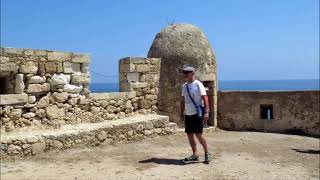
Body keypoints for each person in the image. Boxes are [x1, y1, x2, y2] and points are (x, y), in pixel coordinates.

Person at [180, 66, 212, 164]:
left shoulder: (198, 84)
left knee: (198, 135)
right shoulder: (184, 86)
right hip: (188, 113)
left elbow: (205, 98)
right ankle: (195, 154)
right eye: (184, 72)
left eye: (187, 72)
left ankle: (207, 153)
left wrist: (206, 112)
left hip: (197, 113)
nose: (185, 74)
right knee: (190, 135)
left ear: (193, 73)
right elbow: (183, 100)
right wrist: (182, 112)